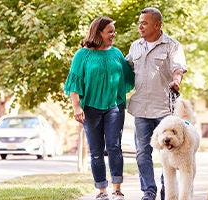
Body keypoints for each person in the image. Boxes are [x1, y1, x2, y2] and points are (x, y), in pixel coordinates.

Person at [64, 16, 134, 200]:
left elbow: (130, 75)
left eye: (113, 31)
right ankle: (102, 190)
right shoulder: (82, 55)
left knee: (114, 146)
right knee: (96, 151)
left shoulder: (116, 53)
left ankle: (117, 188)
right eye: (110, 31)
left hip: (114, 107)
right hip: (90, 109)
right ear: (99, 32)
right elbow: (74, 81)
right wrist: (76, 106)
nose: (113, 34)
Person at [125, 7, 187, 200]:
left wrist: (176, 81)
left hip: (164, 109)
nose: (140, 26)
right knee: (142, 152)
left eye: (144, 22)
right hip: (141, 108)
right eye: (139, 22)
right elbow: (125, 69)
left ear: (157, 24)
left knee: (168, 153)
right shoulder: (136, 46)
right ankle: (148, 192)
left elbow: (178, 68)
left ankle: (166, 190)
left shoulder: (172, 45)